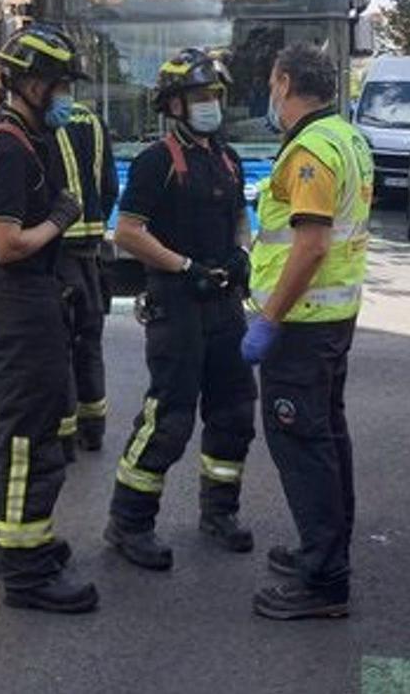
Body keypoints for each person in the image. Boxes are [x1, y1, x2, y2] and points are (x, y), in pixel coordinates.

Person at [103, 48, 258, 572]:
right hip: (177, 304)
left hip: (224, 306)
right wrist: (185, 267)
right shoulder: (157, 161)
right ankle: (129, 523)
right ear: (173, 105)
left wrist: (241, 253)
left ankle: (220, 513)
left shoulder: (227, 157)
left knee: (234, 412)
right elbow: (127, 232)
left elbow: (240, 218)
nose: (210, 103)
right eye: (199, 95)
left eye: (215, 94)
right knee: (169, 419)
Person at [240, 42, 373, 621]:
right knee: (327, 438)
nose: (271, 93)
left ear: (286, 83)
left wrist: (269, 319)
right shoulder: (347, 137)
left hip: (301, 324)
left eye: (273, 82)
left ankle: (324, 581)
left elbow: (311, 245)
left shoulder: (311, 150)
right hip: (331, 319)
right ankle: (326, 551)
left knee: (302, 445)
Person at [0, 24, 97, 613]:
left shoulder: (25, 138)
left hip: (25, 304)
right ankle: (27, 568)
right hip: (20, 309)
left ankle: (5, 540)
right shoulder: (8, 148)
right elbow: (6, 245)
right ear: (31, 84)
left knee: (5, 428)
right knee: (29, 440)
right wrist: (59, 220)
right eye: (60, 84)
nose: (66, 96)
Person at [52, 90, 118, 458]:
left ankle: (63, 436)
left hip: (55, 251)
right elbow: (110, 186)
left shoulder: (40, 123)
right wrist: (96, 222)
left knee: (58, 346)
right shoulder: (92, 120)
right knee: (89, 342)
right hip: (91, 254)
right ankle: (93, 429)